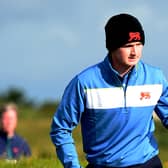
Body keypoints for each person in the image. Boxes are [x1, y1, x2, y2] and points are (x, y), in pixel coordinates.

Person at [50, 13, 168, 168]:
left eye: (139, 44)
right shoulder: (84, 82)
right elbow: (61, 129)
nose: (135, 52)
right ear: (112, 46)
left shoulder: (155, 78)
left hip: (148, 163)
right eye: (127, 46)